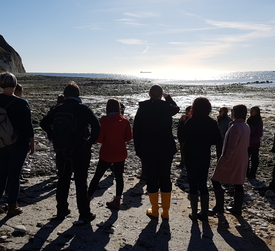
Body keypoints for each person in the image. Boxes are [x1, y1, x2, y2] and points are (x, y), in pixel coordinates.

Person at [40, 81, 100, 223]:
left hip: (62, 150)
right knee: (81, 181)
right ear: (78, 95)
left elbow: (43, 123)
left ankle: (61, 210)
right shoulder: (83, 109)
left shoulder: (58, 108)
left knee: (63, 180)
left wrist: (52, 135)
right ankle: (84, 213)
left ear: (65, 95)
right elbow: (97, 126)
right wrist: (90, 140)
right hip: (80, 150)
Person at [0, 72, 35, 217]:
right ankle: (12, 206)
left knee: (2, 172)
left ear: (1, 84)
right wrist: (31, 144)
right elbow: (28, 127)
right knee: (14, 175)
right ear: (15, 85)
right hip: (18, 144)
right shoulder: (21, 102)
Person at [133, 85, 180, 220]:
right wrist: (168, 97)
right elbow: (176, 108)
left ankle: (154, 210)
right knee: (165, 177)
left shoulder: (143, 108)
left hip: (148, 149)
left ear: (149, 94)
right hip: (166, 148)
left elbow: (136, 130)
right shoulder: (166, 107)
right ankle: (165, 211)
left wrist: (138, 149)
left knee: (152, 178)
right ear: (160, 94)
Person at [178, 98, 221, 221]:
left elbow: (181, 137)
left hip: (191, 155)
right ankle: (204, 212)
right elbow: (217, 140)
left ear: (194, 108)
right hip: (204, 154)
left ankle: (194, 212)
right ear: (208, 108)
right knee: (203, 183)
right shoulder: (211, 122)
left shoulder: (191, 121)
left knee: (193, 183)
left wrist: (181, 123)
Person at [87, 98, 132, 210]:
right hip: (120, 152)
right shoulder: (125, 121)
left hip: (107, 152)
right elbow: (128, 137)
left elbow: (99, 139)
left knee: (97, 176)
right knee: (119, 176)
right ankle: (117, 200)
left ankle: (88, 197)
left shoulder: (103, 121)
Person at [209, 104, 250, 216]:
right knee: (238, 182)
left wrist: (225, 159)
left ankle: (219, 207)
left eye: (233, 111)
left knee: (215, 179)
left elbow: (232, 146)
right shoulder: (245, 125)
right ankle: (237, 208)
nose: (231, 113)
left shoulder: (235, 127)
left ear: (236, 113)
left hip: (232, 158)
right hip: (242, 157)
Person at [246, 106, 263, 179]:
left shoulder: (259, 121)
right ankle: (246, 171)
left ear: (256, 112)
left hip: (254, 143)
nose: (250, 112)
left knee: (254, 159)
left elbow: (259, 134)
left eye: (252, 111)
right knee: (246, 158)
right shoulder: (249, 119)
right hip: (247, 142)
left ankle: (252, 173)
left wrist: (251, 138)